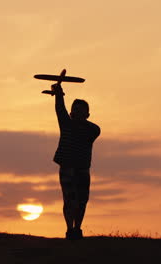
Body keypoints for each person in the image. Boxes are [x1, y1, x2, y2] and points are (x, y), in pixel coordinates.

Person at [51, 83, 100, 240]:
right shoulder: (66, 124)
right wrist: (59, 94)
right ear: (71, 112)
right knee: (70, 199)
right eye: (75, 109)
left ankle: (77, 228)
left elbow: (92, 129)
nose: (77, 112)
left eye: (81, 110)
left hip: (82, 169)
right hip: (67, 168)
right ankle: (70, 229)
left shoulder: (93, 129)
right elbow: (60, 109)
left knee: (82, 200)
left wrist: (59, 94)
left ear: (87, 114)